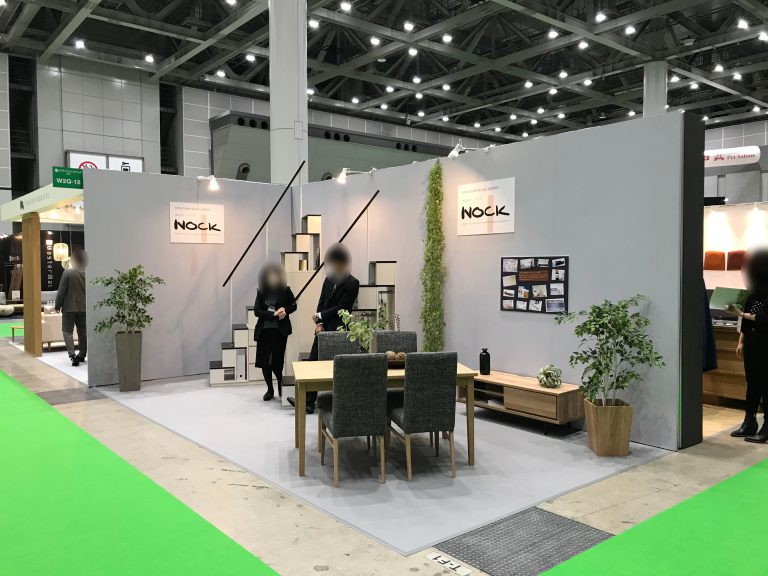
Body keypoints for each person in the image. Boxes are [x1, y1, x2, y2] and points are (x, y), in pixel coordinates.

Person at [288, 243, 359, 414]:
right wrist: (319, 323)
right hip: (323, 329)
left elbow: (342, 308)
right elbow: (321, 303)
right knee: (312, 363)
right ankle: (307, 402)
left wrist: (320, 316)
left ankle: (335, 401)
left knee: (335, 368)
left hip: (339, 332)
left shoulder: (353, 283)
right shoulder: (328, 280)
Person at [730, 248, 768, 443]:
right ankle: (749, 421)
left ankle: (766, 426)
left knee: (766, 383)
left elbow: (763, 318)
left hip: (765, 342)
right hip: (752, 342)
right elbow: (745, 323)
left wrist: (741, 314)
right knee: (752, 381)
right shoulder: (752, 296)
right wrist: (741, 341)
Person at [253, 262, 296, 401]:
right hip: (264, 330)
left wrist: (285, 310)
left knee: (276, 362)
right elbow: (256, 311)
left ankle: (280, 386)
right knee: (264, 362)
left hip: (279, 331)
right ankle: (270, 389)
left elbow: (293, 305)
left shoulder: (286, 290)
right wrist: (273, 314)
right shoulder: (261, 291)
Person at [55, 249, 87, 367]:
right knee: (83, 332)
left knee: (67, 331)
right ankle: (82, 354)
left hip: (69, 307)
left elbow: (62, 290)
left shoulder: (67, 272)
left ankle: (72, 356)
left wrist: (57, 305)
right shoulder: (86, 273)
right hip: (83, 307)